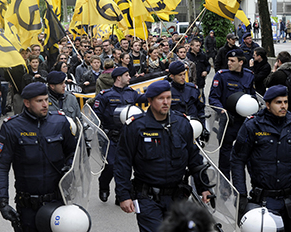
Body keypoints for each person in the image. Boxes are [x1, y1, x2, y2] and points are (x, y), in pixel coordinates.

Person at [114, 80, 210, 232]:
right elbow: (122, 163)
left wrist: (203, 186)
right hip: (148, 198)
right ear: (150, 100)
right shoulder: (135, 127)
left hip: (177, 197)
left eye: (169, 97)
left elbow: (194, 158)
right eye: (160, 98)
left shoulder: (182, 124)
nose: (166, 102)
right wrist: (123, 195)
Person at [231, 85, 291, 232]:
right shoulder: (252, 126)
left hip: (290, 199)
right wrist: (241, 194)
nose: (283, 106)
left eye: (285, 102)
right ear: (267, 104)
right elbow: (237, 160)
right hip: (264, 200)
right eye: (278, 102)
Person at [0, 82, 76, 231]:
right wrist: (2, 202)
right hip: (28, 206)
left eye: (46, 99)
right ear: (27, 103)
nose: (45, 104)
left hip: (57, 202)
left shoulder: (60, 122)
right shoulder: (12, 127)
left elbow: (73, 153)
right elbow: (1, 166)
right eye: (39, 101)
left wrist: (70, 166)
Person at [93, 66, 146, 204]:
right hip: (111, 137)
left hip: (128, 136)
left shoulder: (131, 93)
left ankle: (121, 195)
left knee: (125, 166)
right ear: (118, 78)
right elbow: (95, 116)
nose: (130, 77)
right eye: (127, 75)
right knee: (111, 165)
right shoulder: (105, 95)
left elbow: (143, 99)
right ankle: (103, 184)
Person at [209, 49, 255, 182]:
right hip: (228, 121)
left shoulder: (249, 75)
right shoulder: (221, 75)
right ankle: (224, 186)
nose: (229, 63)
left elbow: (252, 95)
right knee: (225, 155)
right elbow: (213, 98)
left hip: (244, 122)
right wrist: (222, 111)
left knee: (248, 153)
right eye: (228, 60)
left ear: (241, 62)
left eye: (232, 61)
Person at [264, 51, 291, 116]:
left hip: (284, 107)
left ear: (279, 61)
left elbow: (266, 83)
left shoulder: (278, 74)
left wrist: (273, 71)